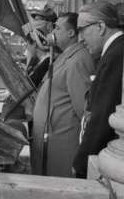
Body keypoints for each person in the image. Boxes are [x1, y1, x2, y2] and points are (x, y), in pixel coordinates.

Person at [31, 12, 94, 177]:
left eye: (58, 28)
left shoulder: (78, 60)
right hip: (51, 139)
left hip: (62, 141)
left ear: (71, 33)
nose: (54, 32)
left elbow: (82, 109)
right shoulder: (66, 56)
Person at [73, 2, 124, 178]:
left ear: (101, 27)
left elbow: (102, 115)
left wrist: (81, 162)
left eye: (82, 30)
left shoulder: (116, 54)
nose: (80, 38)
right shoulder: (114, 51)